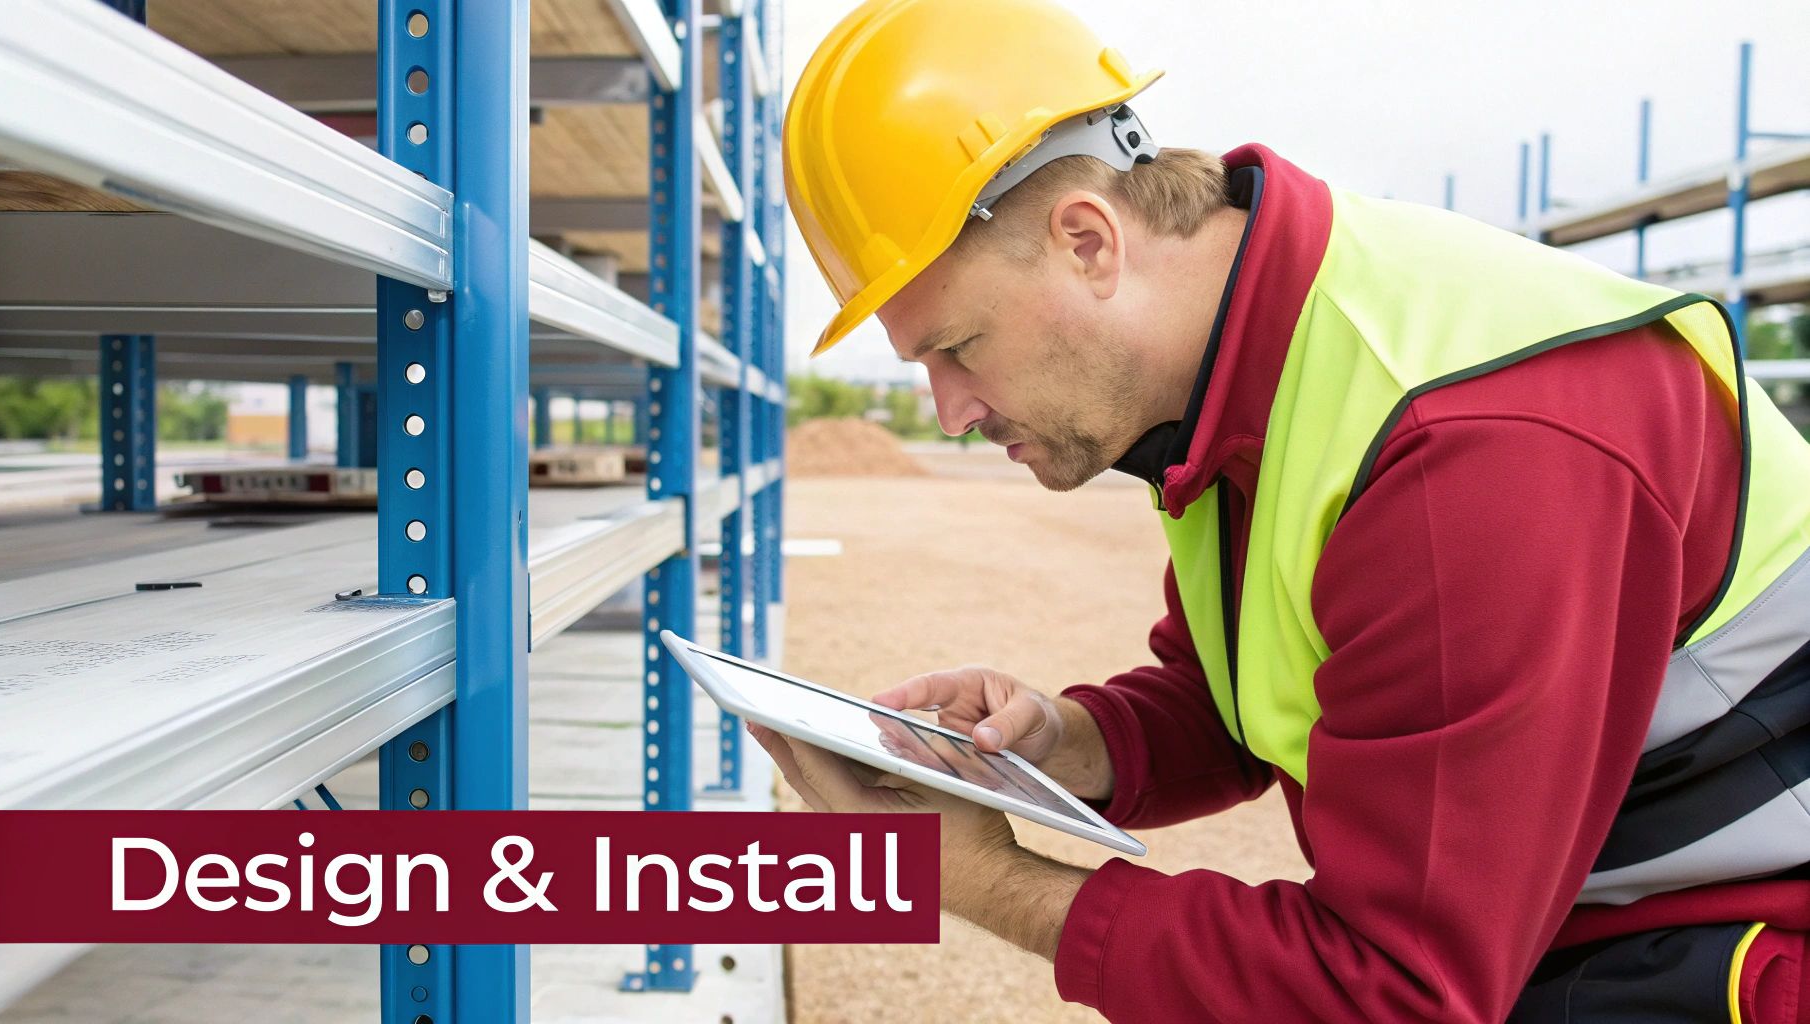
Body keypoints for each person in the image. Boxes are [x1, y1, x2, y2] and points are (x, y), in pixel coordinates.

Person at [748, 0, 1810, 1018]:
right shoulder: (1247, 368)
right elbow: (1272, 690)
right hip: (1605, 927)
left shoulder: (1466, 451)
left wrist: (978, 878)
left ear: (1087, 241)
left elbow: (1392, 993)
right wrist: (1065, 744)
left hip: (1740, 953)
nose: (948, 411)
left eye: (956, 347)